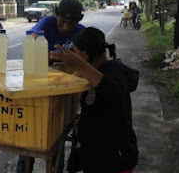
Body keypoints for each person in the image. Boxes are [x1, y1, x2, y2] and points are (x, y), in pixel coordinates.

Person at [49, 27, 139, 173]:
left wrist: (80, 64)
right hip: (97, 154)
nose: (75, 55)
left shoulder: (113, 70)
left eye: (76, 52)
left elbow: (114, 92)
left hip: (115, 159)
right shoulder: (93, 71)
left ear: (85, 54)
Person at [16, 0, 86, 173]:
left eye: (71, 23)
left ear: (78, 22)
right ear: (56, 16)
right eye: (62, 21)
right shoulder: (47, 23)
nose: (65, 27)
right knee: (30, 136)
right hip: (38, 87)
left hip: (64, 91)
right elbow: (30, 44)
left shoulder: (81, 33)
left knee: (57, 139)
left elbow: (87, 62)